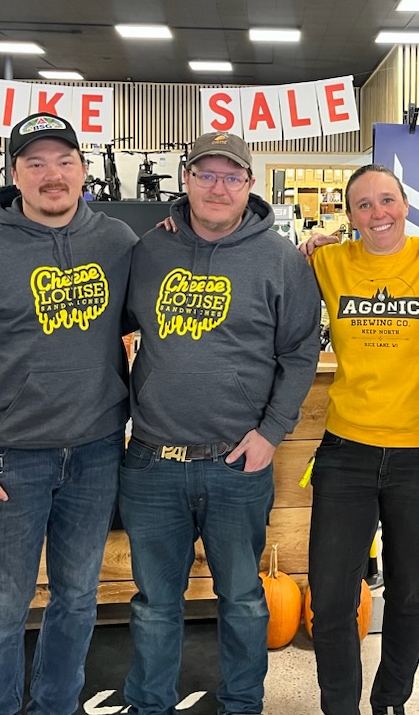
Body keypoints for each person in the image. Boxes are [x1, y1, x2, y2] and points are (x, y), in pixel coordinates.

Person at [0, 112, 138, 715]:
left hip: (95, 454)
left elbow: (180, 287)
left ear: (84, 170)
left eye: (64, 161)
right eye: (35, 163)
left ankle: (57, 707)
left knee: (77, 600)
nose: (52, 175)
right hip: (9, 462)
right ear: (15, 175)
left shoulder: (118, 243)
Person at [122, 130, 322, 715]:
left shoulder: (280, 259)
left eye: (231, 176)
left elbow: (301, 351)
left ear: (249, 185)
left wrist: (272, 433)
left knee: (243, 599)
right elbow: (105, 327)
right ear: (184, 180)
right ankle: (150, 705)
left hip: (238, 463)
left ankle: (243, 704)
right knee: (154, 603)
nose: (218, 187)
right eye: (205, 175)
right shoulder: (147, 251)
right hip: (153, 461)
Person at [306, 164, 419, 715]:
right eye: (364, 204)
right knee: (330, 594)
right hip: (346, 452)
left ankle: (391, 700)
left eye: (387, 200)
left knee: (409, 591)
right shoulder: (328, 262)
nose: (378, 213)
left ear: (406, 204)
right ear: (349, 214)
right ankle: (338, 705)